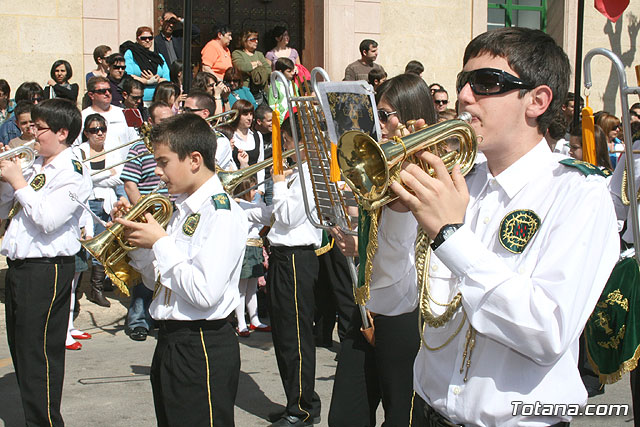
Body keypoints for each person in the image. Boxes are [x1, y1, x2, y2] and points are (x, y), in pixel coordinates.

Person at [384, 27, 619, 426]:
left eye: (486, 83)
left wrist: (451, 237)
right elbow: (391, 301)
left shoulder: (581, 194)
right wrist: (395, 216)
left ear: (537, 101)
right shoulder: (457, 181)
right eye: (464, 82)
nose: (464, 96)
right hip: (427, 413)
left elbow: (547, 331)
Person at [114, 113, 248, 426]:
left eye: (163, 162)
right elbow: (158, 280)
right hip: (172, 341)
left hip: (202, 345)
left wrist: (160, 243)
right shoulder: (182, 208)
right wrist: (135, 241)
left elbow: (204, 292)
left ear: (194, 160)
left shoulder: (221, 213)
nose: (158, 173)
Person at [328, 73, 435, 427]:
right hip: (367, 307)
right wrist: (359, 243)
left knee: (401, 417)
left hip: (404, 312)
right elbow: (384, 242)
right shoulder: (381, 166)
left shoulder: (427, 171)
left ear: (408, 115)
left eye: (385, 113)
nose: (380, 124)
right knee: (345, 416)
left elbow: (404, 252)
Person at [0, 98, 92, 427]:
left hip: (47, 269)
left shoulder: (73, 171)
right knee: (23, 350)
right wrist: (6, 182)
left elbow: (48, 219)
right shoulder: (36, 164)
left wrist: (18, 183)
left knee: (39, 354)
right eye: (32, 126)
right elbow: (5, 212)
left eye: (39, 128)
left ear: (62, 132)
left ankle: (45, 423)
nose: (32, 133)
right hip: (21, 267)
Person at [242, 114, 322, 427]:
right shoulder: (293, 175)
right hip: (282, 256)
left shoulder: (308, 174)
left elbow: (288, 216)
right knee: (285, 334)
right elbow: (272, 214)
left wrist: (276, 181)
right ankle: (296, 401)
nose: (283, 147)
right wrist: (245, 203)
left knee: (297, 336)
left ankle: (302, 408)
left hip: (296, 258)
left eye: (286, 141)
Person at [121, 101, 173, 342]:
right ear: (151, 123)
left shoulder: (176, 147)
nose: (168, 124)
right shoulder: (139, 148)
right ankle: (139, 319)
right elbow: (130, 183)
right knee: (146, 269)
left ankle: (165, 318)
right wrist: (145, 211)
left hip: (173, 213)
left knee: (167, 269)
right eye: (162, 121)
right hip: (150, 212)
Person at [77, 113, 122, 308]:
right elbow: (81, 179)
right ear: (86, 133)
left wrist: (93, 175)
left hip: (106, 204)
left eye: (102, 129)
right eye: (94, 130)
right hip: (86, 204)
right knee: (84, 246)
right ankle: (75, 287)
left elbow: (118, 177)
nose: (99, 133)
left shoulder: (113, 149)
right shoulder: (79, 151)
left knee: (102, 247)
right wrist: (106, 173)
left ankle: (97, 288)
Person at [233, 177, 271, 337]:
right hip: (245, 247)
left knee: (252, 287)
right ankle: (241, 323)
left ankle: (254, 320)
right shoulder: (239, 204)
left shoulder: (254, 203)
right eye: (253, 189)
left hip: (255, 246)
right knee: (241, 288)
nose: (256, 192)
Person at [183, 91, 235, 171]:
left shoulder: (220, 141)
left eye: (188, 110)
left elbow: (206, 170)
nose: (183, 113)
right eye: (183, 109)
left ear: (205, 113)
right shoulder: (182, 135)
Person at [121, 26, 171, 103]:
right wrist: (147, 81)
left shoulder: (158, 56)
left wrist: (155, 80)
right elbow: (128, 75)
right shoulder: (130, 53)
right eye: (143, 38)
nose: (147, 40)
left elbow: (167, 78)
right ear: (138, 39)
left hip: (158, 98)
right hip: (139, 99)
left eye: (150, 38)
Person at [232, 99, 264, 198]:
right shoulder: (230, 137)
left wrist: (260, 190)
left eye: (251, 114)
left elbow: (260, 164)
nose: (250, 118)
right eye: (245, 114)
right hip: (236, 190)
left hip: (255, 191)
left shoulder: (257, 135)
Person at [231, 29, 271, 105]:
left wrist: (252, 69)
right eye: (253, 39)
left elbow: (268, 69)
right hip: (246, 90)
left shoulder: (259, 54)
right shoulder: (237, 53)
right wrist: (256, 64)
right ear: (244, 40)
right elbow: (241, 67)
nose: (256, 41)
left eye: (257, 39)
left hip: (262, 92)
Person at [268, 58, 298, 122]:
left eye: (293, 70)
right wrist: (281, 121)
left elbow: (297, 101)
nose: (292, 73)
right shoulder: (274, 85)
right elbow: (273, 105)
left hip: (294, 118)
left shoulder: (293, 85)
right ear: (280, 72)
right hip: (282, 121)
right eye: (289, 71)